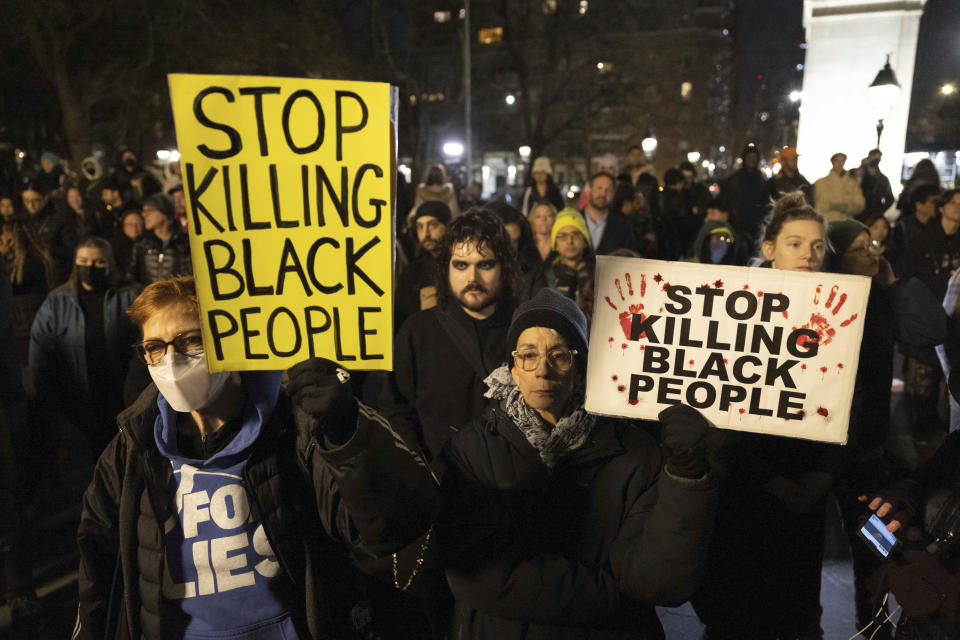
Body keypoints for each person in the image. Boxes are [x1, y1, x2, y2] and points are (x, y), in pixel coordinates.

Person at [75, 275, 437, 640]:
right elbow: (98, 564)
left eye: (189, 340)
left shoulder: (296, 426)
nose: (171, 360)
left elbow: (392, 526)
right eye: (155, 346)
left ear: (229, 338)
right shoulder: (132, 448)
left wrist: (347, 433)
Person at [435, 287, 718, 638]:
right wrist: (608, 594)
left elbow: (657, 579)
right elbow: (478, 575)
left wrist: (686, 477)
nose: (543, 370)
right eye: (528, 355)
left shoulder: (635, 454)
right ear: (512, 369)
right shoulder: (472, 449)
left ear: (581, 369)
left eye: (559, 356)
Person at [693, 192, 840, 639]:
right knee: (737, 612)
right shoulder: (734, 303)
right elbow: (720, 401)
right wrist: (763, 477)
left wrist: (824, 474)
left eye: (817, 246)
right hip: (745, 488)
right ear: (770, 248)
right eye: (796, 244)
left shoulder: (838, 309)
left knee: (796, 613)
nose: (809, 255)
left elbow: (847, 398)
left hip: (807, 485)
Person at [826, 219, 947, 637]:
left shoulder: (882, 299)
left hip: (867, 455)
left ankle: (871, 626)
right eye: (859, 247)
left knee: (873, 551)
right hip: (816, 455)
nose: (872, 253)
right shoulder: (819, 302)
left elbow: (932, 331)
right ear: (836, 257)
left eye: (873, 243)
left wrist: (895, 284)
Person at [379, 209, 520, 461]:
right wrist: (422, 468)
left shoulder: (525, 329)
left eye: (485, 264)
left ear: (504, 267)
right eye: (461, 265)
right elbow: (395, 407)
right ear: (447, 268)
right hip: (439, 484)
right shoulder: (418, 331)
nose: (472, 278)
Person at [29, 237, 140, 456]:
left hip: (120, 396)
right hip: (77, 401)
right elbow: (41, 353)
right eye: (83, 261)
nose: (90, 267)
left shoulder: (130, 296)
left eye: (98, 262)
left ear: (109, 264)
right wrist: (52, 400)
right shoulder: (57, 302)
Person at [0, 220, 57, 364]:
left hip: (25, 327)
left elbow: (12, 287)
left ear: (14, 241)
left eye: (4, 238)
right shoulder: (20, 263)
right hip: (23, 325)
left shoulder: (29, 266)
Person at [524, 208, 596, 321]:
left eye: (576, 235)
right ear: (555, 244)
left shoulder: (600, 273)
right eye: (562, 236)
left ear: (585, 241)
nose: (569, 241)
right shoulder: (542, 275)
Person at [395, 200, 450, 328]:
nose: (426, 234)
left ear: (447, 226)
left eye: (433, 225)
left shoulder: (459, 268)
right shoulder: (413, 272)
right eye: (420, 227)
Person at [127, 193, 192, 286]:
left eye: (149, 210)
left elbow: (188, 276)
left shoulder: (185, 243)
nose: (144, 215)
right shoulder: (141, 243)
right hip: (149, 298)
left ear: (164, 213)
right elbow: (132, 276)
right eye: (143, 211)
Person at [19, 183, 78, 280]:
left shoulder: (59, 219)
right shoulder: (21, 220)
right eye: (26, 201)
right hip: (27, 277)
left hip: (53, 275)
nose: (31, 205)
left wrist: (49, 248)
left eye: (36, 200)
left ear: (45, 198)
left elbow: (71, 251)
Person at [721, 145, 769, 244]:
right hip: (737, 225)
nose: (752, 160)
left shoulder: (762, 181)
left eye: (754, 157)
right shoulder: (735, 179)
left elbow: (766, 202)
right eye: (749, 157)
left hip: (756, 226)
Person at [581, 172, 637, 255]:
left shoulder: (624, 227)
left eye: (608, 190)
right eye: (599, 188)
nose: (603, 194)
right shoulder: (572, 222)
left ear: (614, 194)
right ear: (589, 190)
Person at [813, 152, 866, 221]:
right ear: (832, 162)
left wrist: (847, 207)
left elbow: (860, 205)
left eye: (842, 161)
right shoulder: (820, 183)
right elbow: (816, 205)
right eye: (837, 161)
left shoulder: (852, 184)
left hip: (846, 222)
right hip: (826, 222)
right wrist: (832, 206)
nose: (840, 164)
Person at [858, 149, 895, 218]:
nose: (876, 160)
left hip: (873, 215)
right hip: (858, 213)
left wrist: (879, 211)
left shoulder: (883, 179)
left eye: (878, 158)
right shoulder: (860, 174)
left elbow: (890, 199)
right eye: (874, 157)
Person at [112, 208, 145, 274]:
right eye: (129, 223)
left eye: (138, 223)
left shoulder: (148, 245)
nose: (134, 227)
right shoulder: (114, 246)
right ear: (123, 225)